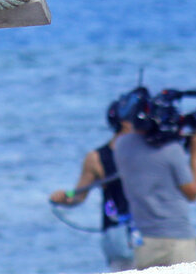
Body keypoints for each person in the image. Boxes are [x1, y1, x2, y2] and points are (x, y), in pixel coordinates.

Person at [113, 89, 196, 269]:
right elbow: (192, 193)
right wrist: (195, 152)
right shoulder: (172, 151)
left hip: (144, 241)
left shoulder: (121, 146)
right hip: (178, 239)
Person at [50, 99, 135, 271]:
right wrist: (63, 197)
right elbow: (78, 196)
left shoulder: (146, 152)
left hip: (140, 232)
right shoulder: (96, 158)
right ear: (125, 123)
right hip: (120, 236)